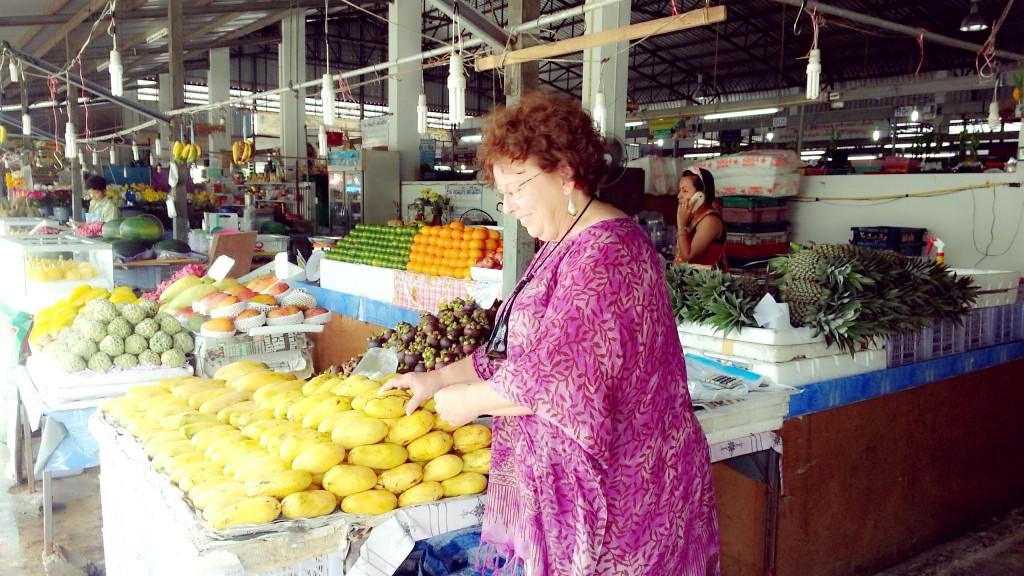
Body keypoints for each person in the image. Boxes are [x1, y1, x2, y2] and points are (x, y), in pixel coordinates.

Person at [382, 91, 721, 575]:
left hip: (623, 500)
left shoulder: (608, 255)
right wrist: (435, 381)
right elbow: (518, 353)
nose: (509, 207)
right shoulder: (561, 241)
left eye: (518, 189)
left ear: (566, 172)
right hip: (575, 495)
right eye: (503, 194)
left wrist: (473, 400)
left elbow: (564, 380)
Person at [673, 167, 727, 267]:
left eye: (685, 191)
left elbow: (688, 258)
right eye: (679, 190)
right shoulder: (694, 216)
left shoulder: (710, 221)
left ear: (700, 195)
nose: (679, 196)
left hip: (701, 282)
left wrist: (681, 224)